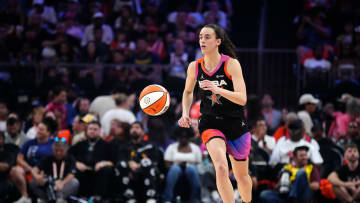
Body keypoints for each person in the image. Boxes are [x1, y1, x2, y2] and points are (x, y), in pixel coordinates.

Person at [178, 24, 252, 203]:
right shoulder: (194, 67)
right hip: (210, 122)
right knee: (220, 166)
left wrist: (217, 89)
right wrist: (185, 113)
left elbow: (242, 99)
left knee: (242, 177)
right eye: (201, 37)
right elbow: (188, 92)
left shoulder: (231, 64)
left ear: (218, 41)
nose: (202, 40)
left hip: (235, 123)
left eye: (207, 37)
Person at [29, 137, 79, 203]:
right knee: (33, 182)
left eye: (61, 151)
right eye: (56, 150)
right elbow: (34, 170)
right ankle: (45, 199)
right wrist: (38, 177)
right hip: (49, 184)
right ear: (52, 150)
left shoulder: (70, 159)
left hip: (63, 185)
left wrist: (62, 183)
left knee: (75, 182)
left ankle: (59, 199)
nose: (58, 153)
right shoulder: (47, 158)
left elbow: (71, 174)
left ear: (66, 150)